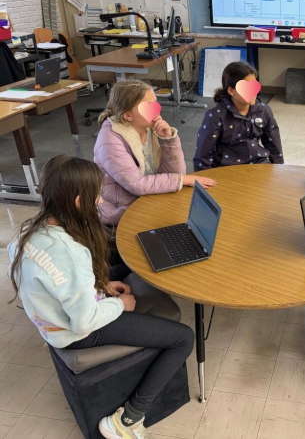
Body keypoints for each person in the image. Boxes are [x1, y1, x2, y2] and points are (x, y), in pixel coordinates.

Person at [7, 155, 194, 439]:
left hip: (50, 320)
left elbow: (54, 281)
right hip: (75, 331)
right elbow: (83, 322)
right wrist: (119, 304)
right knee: (183, 338)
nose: (100, 201)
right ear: (79, 201)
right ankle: (128, 419)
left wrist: (101, 286)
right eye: (98, 195)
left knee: (117, 270)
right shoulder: (71, 252)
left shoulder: (25, 231)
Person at [93, 79, 215, 226]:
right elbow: (136, 184)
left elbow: (177, 172)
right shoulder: (110, 139)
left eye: (155, 103)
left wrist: (168, 140)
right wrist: (182, 180)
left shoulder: (149, 127)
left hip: (149, 196)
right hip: (120, 208)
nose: (156, 110)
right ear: (127, 116)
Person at [193, 61, 284, 170]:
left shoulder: (264, 110)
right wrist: (202, 181)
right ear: (231, 91)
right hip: (227, 168)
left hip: (259, 164)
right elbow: (203, 154)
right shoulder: (216, 116)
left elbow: (274, 145)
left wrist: (279, 171)